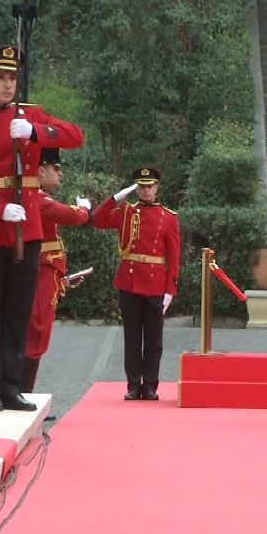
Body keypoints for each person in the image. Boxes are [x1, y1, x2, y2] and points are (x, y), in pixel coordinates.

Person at [0, 45, 84, 412]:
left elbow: (74, 135)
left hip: (28, 230)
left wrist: (37, 131)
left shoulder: (31, 115)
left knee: (18, 311)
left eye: (12, 77)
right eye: (0, 77)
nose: (8, 84)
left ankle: (11, 384)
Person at [93, 168, 181, 401]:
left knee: (154, 338)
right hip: (130, 281)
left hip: (155, 284)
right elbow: (97, 219)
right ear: (136, 188)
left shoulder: (169, 217)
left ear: (157, 187)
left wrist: (170, 289)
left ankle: (150, 385)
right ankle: (133, 384)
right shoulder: (125, 212)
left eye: (149, 186)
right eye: (141, 186)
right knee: (132, 336)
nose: (146, 190)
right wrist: (115, 198)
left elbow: (174, 257)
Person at [21, 148, 91, 395]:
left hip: (47, 270)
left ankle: (24, 391)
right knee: (37, 329)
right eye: (56, 169)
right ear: (40, 171)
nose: (60, 174)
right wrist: (84, 208)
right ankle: (24, 391)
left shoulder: (39, 196)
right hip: (41, 270)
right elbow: (72, 216)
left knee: (38, 330)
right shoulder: (37, 198)